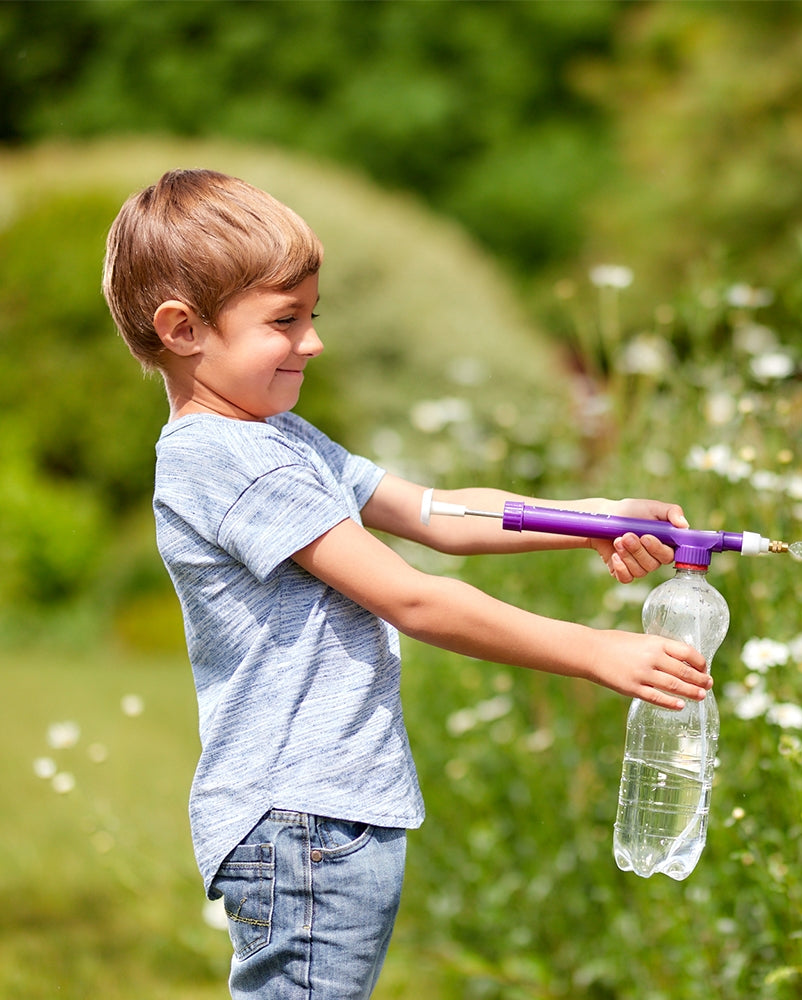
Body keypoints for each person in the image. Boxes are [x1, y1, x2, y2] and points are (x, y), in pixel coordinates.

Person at [102, 169, 710, 1000]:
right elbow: (410, 595)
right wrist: (593, 650)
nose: (312, 341)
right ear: (182, 330)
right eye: (285, 321)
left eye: (313, 315)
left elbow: (437, 513)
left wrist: (591, 515)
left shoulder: (281, 438)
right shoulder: (225, 459)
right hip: (300, 819)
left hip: (329, 815)